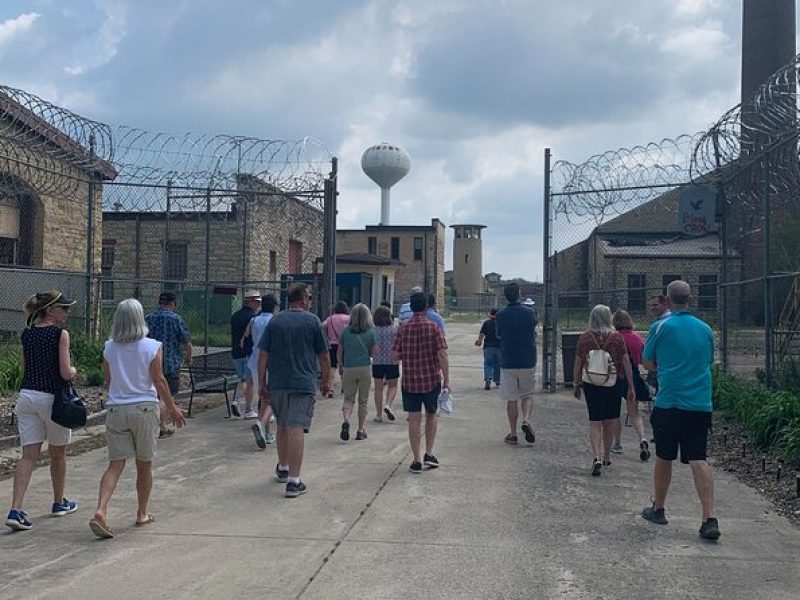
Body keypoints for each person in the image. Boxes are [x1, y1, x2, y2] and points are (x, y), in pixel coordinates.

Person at [89, 299, 187, 539]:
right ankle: (142, 512)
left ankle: (101, 510)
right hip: (144, 408)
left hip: (116, 410)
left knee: (115, 464)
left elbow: (108, 379)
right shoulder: (152, 346)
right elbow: (159, 380)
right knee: (144, 463)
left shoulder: (110, 347)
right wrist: (173, 408)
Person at [641, 280, 719, 540]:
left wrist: (666, 366)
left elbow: (648, 362)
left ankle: (659, 508)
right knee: (698, 458)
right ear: (690, 299)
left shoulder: (660, 327)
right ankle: (709, 518)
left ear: (668, 300)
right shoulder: (706, 328)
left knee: (664, 456)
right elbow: (708, 360)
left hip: (670, 402)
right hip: (699, 403)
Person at [5, 291, 79, 531]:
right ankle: (59, 502)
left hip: (27, 396)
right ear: (51, 310)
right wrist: (75, 370)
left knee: (28, 455)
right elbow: (65, 372)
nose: (66, 313)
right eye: (63, 309)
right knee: (58, 452)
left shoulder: (27, 334)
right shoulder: (60, 335)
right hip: (52, 399)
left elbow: (25, 367)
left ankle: (16, 509)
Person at [258, 283, 331, 498]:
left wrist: (262, 382)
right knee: (296, 427)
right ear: (303, 300)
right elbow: (324, 355)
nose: (310, 301)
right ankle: (294, 480)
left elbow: (263, 354)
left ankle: (283, 467)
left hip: (278, 382)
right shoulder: (312, 321)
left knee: (282, 425)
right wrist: (326, 379)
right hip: (302, 383)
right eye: (309, 297)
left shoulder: (275, 321)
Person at [573, 305, 635, 477]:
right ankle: (607, 455)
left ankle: (596, 456)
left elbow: (578, 361)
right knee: (610, 420)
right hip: (613, 383)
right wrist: (631, 385)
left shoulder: (585, 337)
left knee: (595, 421)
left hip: (591, 383)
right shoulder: (616, 338)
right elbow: (625, 361)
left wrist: (576, 383)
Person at [391, 291, 449, 473]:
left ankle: (415, 458)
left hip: (410, 381)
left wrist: (406, 355)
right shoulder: (434, 328)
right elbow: (442, 354)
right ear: (426, 307)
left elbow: (394, 356)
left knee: (414, 419)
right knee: (431, 415)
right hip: (431, 379)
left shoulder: (403, 329)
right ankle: (429, 453)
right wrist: (447, 379)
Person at [145, 292, 192, 437]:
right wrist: (189, 357)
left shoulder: (148, 318)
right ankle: (161, 426)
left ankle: (153, 424)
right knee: (167, 395)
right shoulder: (176, 319)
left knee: (154, 395)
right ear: (172, 304)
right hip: (171, 362)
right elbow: (187, 343)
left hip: (150, 361)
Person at [495, 283, 536, 445]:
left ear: (505, 296)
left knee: (511, 399)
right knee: (527, 395)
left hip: (508, 360)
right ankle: (526, 420)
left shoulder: (501, 314)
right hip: (527, 359)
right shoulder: (530, 312)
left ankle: (513, 433)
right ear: (519, 294)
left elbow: (499, 335)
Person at [610, 310, 651, 460]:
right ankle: (642, 438)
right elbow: (642, 360)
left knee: (614, 413)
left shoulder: (614, 338)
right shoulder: (636, 338)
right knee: (634, 412)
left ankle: (617, 444)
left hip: (615, 376)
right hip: (632, 376)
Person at [337, 303, 377, 441]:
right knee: (363, 400)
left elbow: (340, 351)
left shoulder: (345, 332)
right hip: (365, 367)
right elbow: (375, 352)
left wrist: (340, 364)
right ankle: (361, 429)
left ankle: (347, 420)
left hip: (349, 367)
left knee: (348, 398)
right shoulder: (371, 332)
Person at [246, 294, 278, 449]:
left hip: (254, 361)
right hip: (271, 362)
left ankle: (265, 429)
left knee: (263, 396)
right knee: (270, 397)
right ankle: (265, 428)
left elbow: (249, 337)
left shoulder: (254, 320)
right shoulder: (275, 321)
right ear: (274, 307)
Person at [230, 290, 261, 419]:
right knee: (249, 381)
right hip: (249, 351)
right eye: (257, 302)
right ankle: (243, 404)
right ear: (250, 302)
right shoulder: (253, 318)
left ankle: (238, 400)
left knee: (242, 378)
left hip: (236, 351)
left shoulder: (235, 316)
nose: (259, 304)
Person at [371, 305, 400, 423]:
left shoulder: (373, 330)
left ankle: (378, 414)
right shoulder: (395, 329)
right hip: (392, 361)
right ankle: (388, 404)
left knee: (378, 389)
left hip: (377, 362)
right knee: (392, 386)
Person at [321, 301, 350, 397]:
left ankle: (331, 388)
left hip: (332, 344)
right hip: (345, 345)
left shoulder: (330, 319)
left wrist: (328, 334)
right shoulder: (348, 319)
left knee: (332, 367)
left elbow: (322, 326)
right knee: (344, 366)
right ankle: (345, 387)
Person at [475, 308, 502, 390]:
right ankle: (497, 381)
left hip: (488, 347)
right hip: (500, 347)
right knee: (498, 364)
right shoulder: (501, 323)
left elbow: (482, 334)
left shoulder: (487, 323)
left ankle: (488, 379)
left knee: (488, 363)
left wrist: (479, 342)